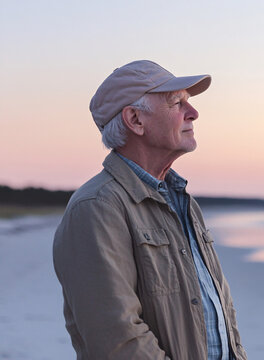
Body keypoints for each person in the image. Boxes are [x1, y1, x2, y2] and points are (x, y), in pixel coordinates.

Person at [53, 60, 247, 360]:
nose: (193, 113)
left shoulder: (182, 201)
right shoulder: (97, 207)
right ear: (135, 120)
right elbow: (116, 339)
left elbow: (219, 310)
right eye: (176, 102)